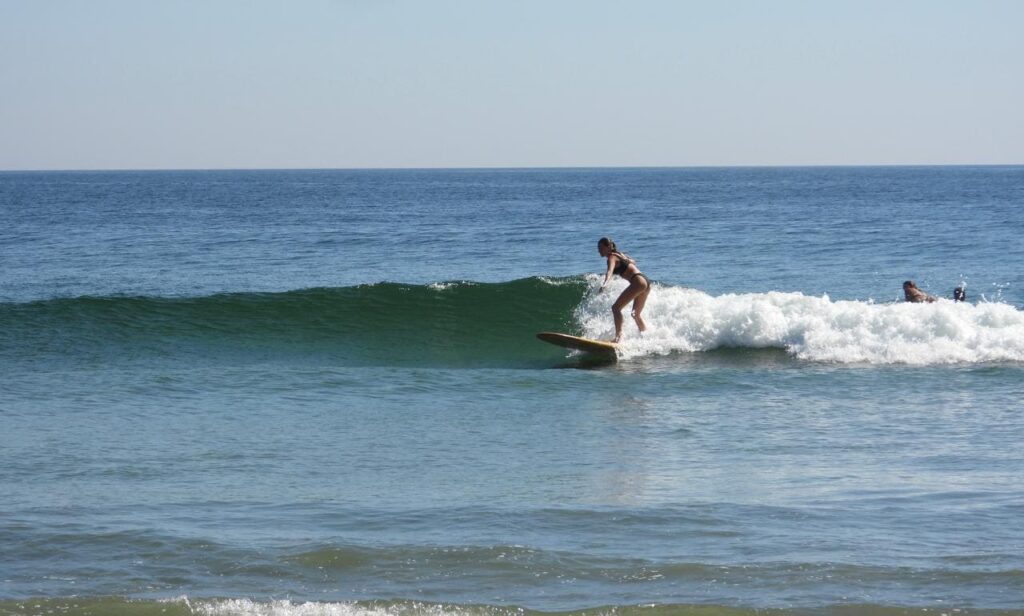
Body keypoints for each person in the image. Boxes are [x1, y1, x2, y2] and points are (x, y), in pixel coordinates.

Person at [597, 237, 651, 342]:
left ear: (608, 247)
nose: (598, 250)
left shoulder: (611, 258)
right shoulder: (619, 254)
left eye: (601, 248)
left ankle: (619, 338)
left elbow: (610, 272)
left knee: (615, 308)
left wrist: (605, 284)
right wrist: (624, 258)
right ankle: (647, 338)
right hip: (645, 282)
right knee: (636, 315)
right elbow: (633, 262)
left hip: (638, 282)